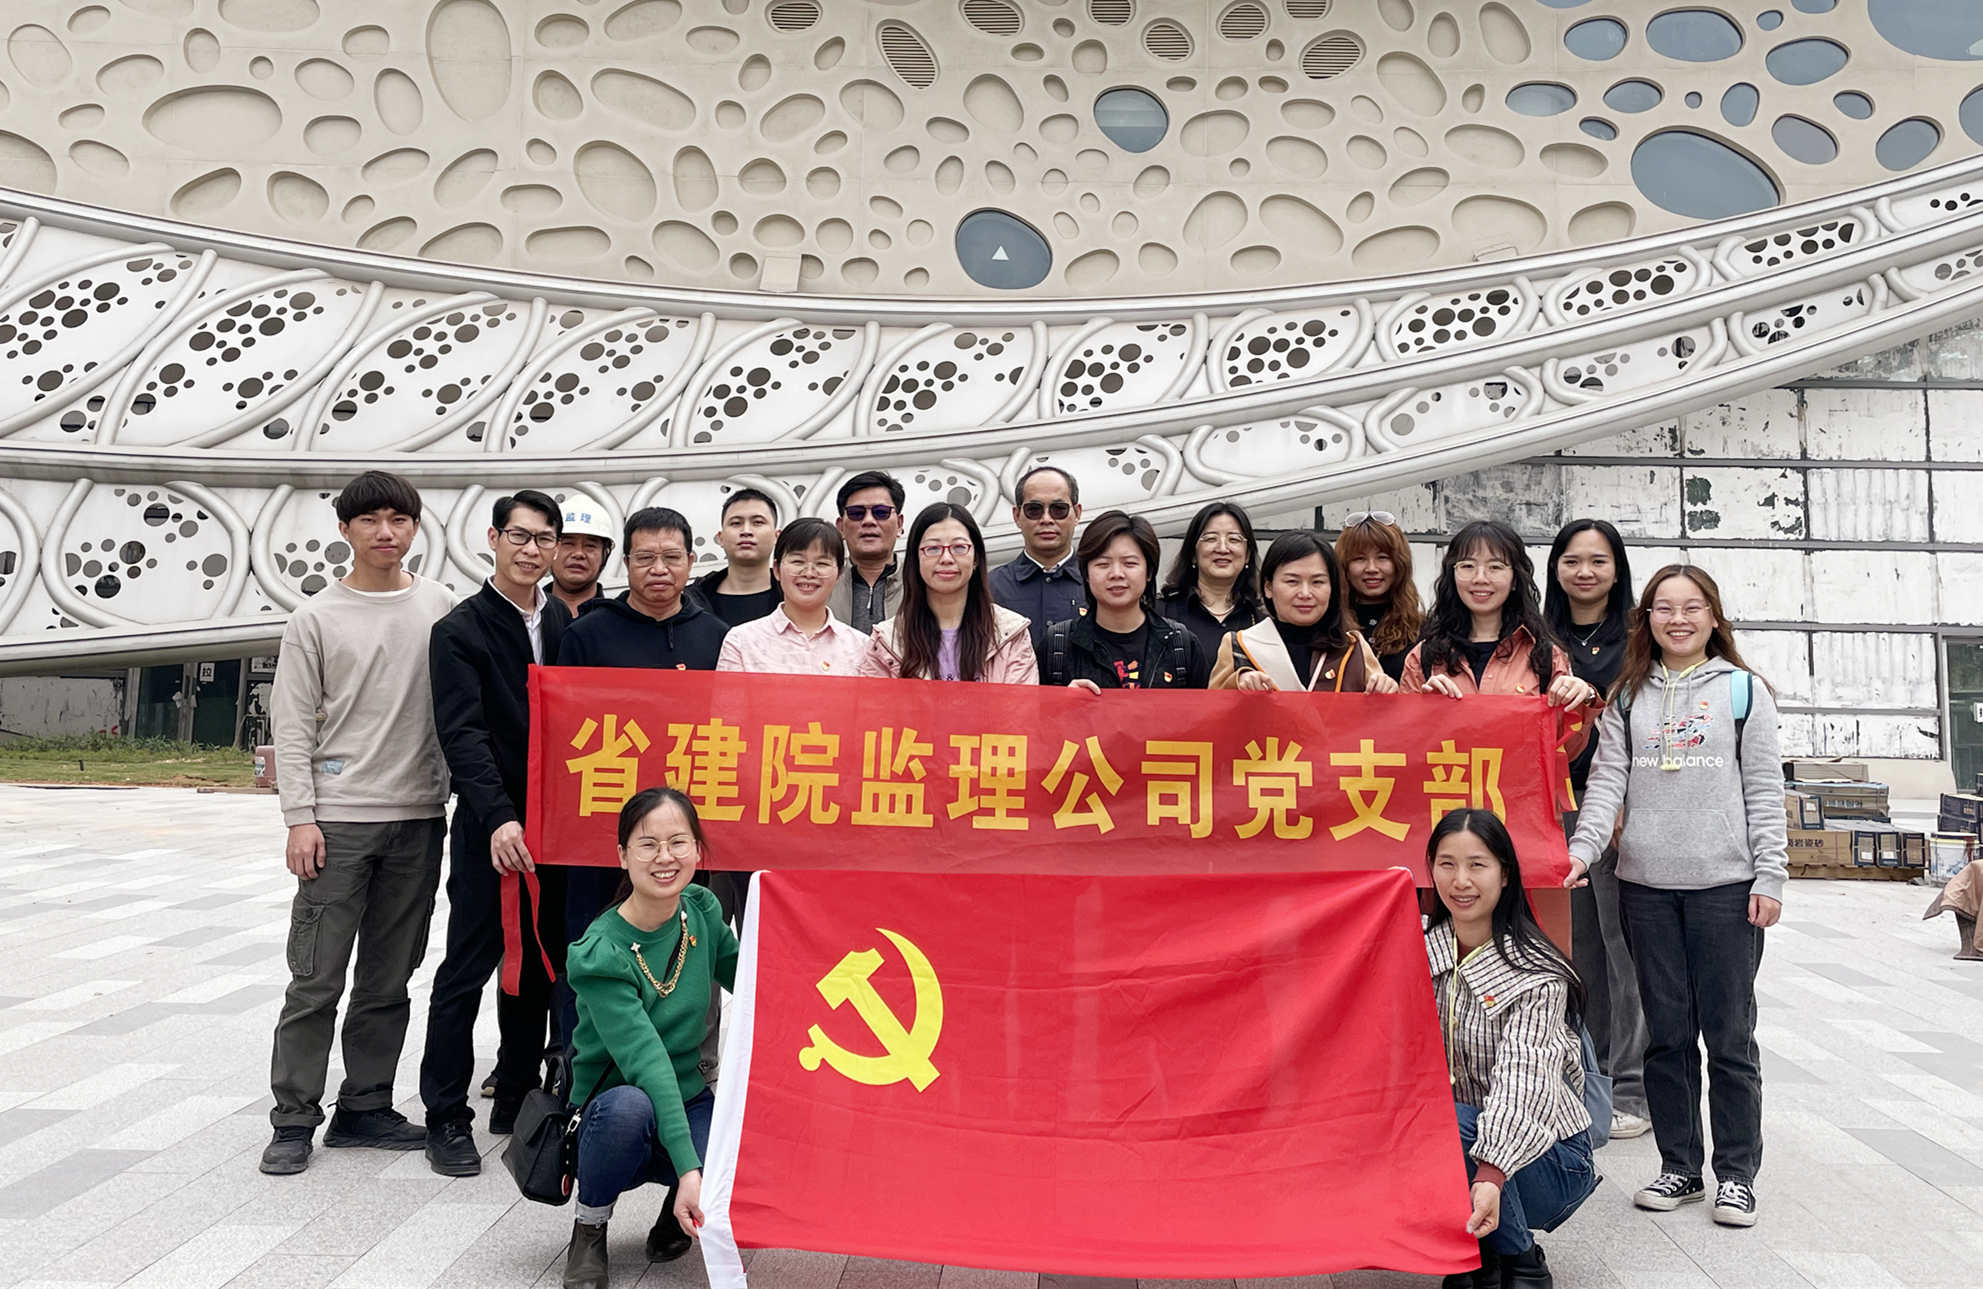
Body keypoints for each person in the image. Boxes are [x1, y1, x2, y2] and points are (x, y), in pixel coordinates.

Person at [1564, 564, 1785, 1231]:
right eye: (1664, 607)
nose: (1678, 619)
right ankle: (1680, 1167)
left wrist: (1769, 877)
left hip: (1725, 889)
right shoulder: (1628, 695)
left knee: (1729, 1036)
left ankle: (1737, 1176)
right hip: (1645, 889)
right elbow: (1606, 784)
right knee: (1666, 1036)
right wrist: (1582, 851)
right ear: (1647, 619)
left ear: (1713, 616)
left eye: (1692, 607)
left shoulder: (1743, 692)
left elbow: (1764, 790)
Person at [261, 471, 457, 1175]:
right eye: (369, 519)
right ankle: (293, 1118)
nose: (385, 531)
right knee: (315, 978)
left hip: (419, 817)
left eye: (398, 519)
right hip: (337, 822)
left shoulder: (441, 606)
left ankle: (365, 1106)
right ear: (345, 530)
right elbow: (291, 725)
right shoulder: (315, 618)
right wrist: (299, 817)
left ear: (415, 527)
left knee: (388, 977)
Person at [421, 490, 572, 1176]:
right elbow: (464, 735)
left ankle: (515, 1096)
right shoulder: (460, 629)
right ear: (493, 538)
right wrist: (498, 816)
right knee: (468, 965)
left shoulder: (564, 623)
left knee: (538, 965)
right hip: (492, 826)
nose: (532, 550)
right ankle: (445, 1114)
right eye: (520, 536)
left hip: (555, 826)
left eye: (544, 539)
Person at [558, 506, 730, 1086]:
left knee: (683, 953)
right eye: (645, 557)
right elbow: (563, 731)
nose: (659, 569)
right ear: (625, 562)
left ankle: (684, 1077)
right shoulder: (586, 636)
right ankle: (580, 1082)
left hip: (679, 835)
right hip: (600, 828)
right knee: (589, 948)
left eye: (672, 557)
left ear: (691, 562)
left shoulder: (715, 638)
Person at [560, 788, 737, 1289]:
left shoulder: (701, 910)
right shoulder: (599, 952)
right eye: (648, 844)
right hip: (615, 1107)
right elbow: (647, 1060)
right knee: (630, 1108)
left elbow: (753, 979)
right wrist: (688, 1167)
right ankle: (590, 1227)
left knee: (738, 1151)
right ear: (622, 855)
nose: (665, 857)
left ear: (697, 850)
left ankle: (675, 1210)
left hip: (688, 1094)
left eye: (678, 842)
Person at [1428, 809, 1597, 1289]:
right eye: (1446, 864)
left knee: (1451, 1121)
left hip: (1548, 1160)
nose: (1461, 881)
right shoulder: (1417, 953)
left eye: (1477, 865)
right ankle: (1477, 1253)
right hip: (1459, 1151)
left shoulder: (1537, 974)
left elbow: (1524, 1083)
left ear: (1505, 874)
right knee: (1428, 1121)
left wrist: (1491, 1173)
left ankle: (1522, 1260)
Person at [1544, 518, 1649, 1143]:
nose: (1584, 572)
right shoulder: (1538, 637)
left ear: (1617, 569)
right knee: (1576, 946)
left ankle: (1632, 1084)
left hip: (1621, 807)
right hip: (1549, 806)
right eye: (1572, 560)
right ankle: (1590, 1077)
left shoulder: (1639, 637)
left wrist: (1625, 801)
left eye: (1598, 561)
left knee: (1623, 946)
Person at [1400, 521, 1598, 753]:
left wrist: (1582, 698)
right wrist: (1424, 710)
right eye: (1467, 566)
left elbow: (1568, 751)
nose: (1480, 578)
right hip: (1447, 776)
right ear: (1452, 574)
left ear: (1515, 579)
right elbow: (1403, 746)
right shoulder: (1424, 656)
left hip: (1519, 778)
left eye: (1495, 567)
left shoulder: (1544, 655)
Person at [858, 502, 1038, 683]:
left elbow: (1020, 700)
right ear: (916, 559)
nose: (946, 558)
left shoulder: (1011, 633)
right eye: (933, 549)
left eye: (959, 547)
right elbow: (873, 701)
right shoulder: (886, 641)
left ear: (976, 558)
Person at [1209, 531, 1398, 694]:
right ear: (1268, 587)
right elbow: (1213, 712)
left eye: (1318, 582)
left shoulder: (1354, 648)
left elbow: (1382, 718)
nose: (1305, 594)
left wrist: (1385, 688)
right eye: (1292, 581)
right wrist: (1238, 683)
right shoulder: (1239, 646)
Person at [1038, 509, 1208, 690]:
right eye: (1103, 564)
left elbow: (1204, 707)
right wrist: (1062, 701)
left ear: (1149, 572)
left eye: (1130, 563)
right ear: (1086, 573)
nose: (1116, 574)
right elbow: (1033, 707)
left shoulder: (1181, 645)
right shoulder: (1057, 645)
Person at [715, 518, 867, 676]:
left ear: (839, 574)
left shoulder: (861, 647)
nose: (809, 573)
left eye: (822, 563)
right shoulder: (741, 642)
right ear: (776, 569)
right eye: (797, 561)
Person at [989, 465, 1086, 651]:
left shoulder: (1098, 581)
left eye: (1059, 509)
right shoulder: (991, 588)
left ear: (1077, 513)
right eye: (1034, 510)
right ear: (1017, 516)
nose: (1046, 519)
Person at [1159, 500, 1264, 659]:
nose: (1222, 548)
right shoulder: (1161, 614)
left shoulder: (1261, 621)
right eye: (1210, 539)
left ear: (1247, 555)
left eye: (1234, 539)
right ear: (1193, 554)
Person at [1333, 509, 1424, 682]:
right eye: (1359, 559)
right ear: (1344, 566)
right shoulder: (1329, 625)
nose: (1372, 568)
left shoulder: (1423, 630)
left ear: (1400, 564)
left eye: (1382, 557)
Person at [690, 488, 782, 628]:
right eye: (736, 523)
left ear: (776, 536)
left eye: (757, 522)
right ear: (720, 538)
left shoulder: (793, 597)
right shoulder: (691, 603)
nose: (746, 531)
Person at [828, 470, 905, 633]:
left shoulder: (921, 582)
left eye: (881, 512)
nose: (868, 521)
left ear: (899, 524)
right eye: (856, 513)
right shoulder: (822, 583)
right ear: (840, 527)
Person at [551, 502, 615, 616]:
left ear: (605, 554)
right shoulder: (527, 615)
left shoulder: (616, 620)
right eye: (568, 543)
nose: (578, 554)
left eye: (590, 545)